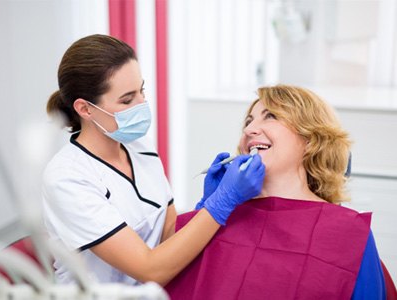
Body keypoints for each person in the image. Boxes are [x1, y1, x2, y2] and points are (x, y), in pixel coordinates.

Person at [41, 34, 265, 286]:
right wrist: (222, 202)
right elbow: (149, 269)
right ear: (85, 109)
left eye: (141, 90)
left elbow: (167, 233)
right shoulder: (67, 178)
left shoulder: (139, 146)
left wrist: (204, 205)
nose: (143, 104)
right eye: (127, 99)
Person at [165, 85, 387, 299]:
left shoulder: (348, 233)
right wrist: (206, 206)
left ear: (310, 139)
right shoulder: (217, 218)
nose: (249, 130)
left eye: (270, 116)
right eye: (249, 121)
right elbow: (166, 277)